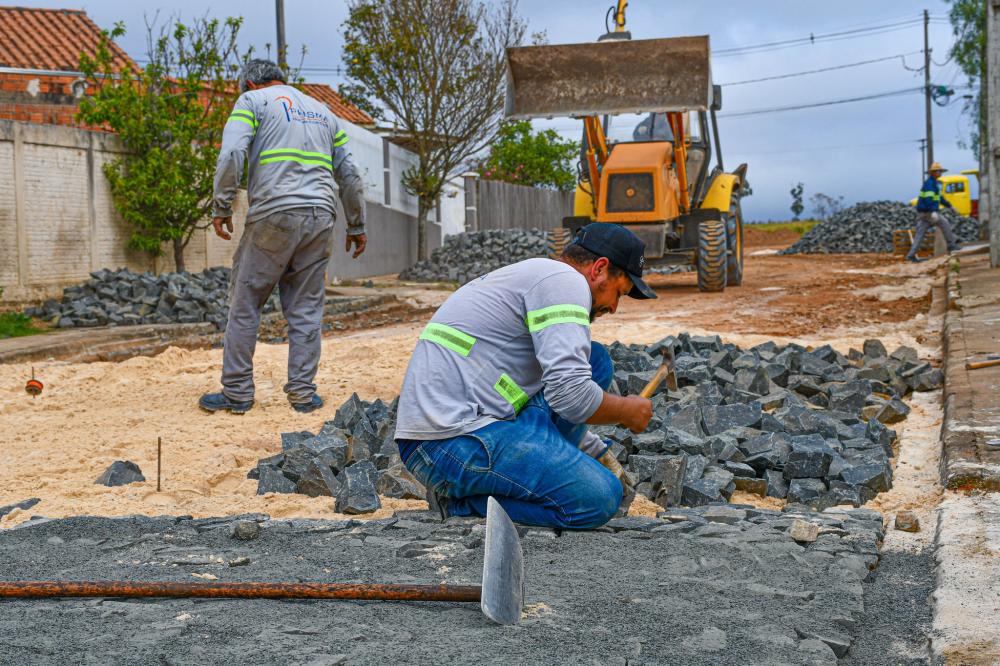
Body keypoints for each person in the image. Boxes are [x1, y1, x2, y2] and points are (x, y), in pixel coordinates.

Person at [394, 223, 657, 529]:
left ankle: (548, 467)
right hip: (448, 442)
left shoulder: (538, 276)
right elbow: (571, 397)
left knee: (595, 360)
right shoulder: (566, 282)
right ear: (599, 268)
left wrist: (594, 450)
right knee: (596, 498)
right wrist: (627, 411)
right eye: (619, 293)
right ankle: (461, 506)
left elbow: (543, 389)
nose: (612, 307)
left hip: (459, 426)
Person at [199, 59, 367, 415]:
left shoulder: (252, 103)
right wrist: (356, 224)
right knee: (306, 309)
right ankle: (304, 395)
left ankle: (237, 393)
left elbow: (231, 153)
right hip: (322, 215)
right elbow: (350, 173)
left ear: (249, 84)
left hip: (274, 213)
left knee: (245, 304)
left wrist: (221, 205)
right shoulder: (324, 112)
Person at [907, 162, 959, 263]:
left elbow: (940, 198)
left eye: (940, 171)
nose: (940, 173)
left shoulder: (934, 183)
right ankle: (951, 244)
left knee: (920, 234)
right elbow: (928, 199)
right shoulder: (930, 184)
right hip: (927, 212)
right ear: (933, 173)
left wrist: (950, 206)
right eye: (938, 171)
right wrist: (932, 212)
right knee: (944, 223)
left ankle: (911, 255)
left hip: (924, 212)